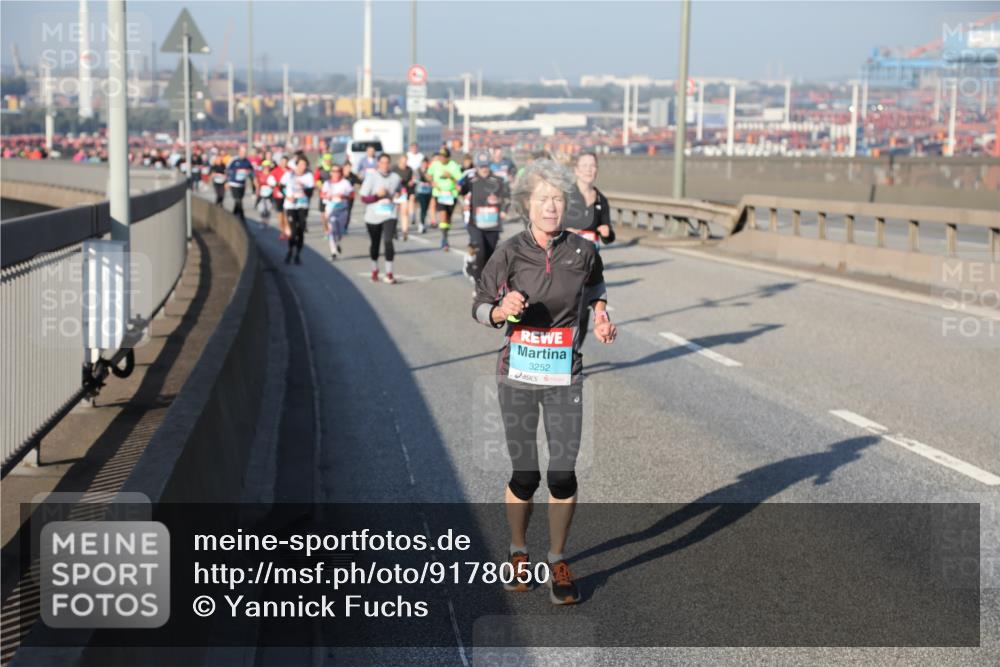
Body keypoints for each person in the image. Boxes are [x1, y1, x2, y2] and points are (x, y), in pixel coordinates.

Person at [471, 159, 616, 606]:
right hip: (516, 376)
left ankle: (557, 559)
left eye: (557, 199)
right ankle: (518, 551)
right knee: (526, 474)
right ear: (526, 206)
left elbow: (596, 287)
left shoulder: (583, 251)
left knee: (563, 474)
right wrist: (501, 310)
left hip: (564, 376)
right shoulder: (510, 252)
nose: (551, 206)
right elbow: (479, 305)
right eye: (542, 199)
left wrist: (601, 315)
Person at [460, 151, 510, 284]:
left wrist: (502, 208)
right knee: (480, 251)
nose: (484, 169)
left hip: (492, 223)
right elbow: (460, 191)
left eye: (486, 165)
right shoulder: (470, 179)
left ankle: (474, 268)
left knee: (490, 255)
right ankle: (479, 286)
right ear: (477, 166)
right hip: (475, 222)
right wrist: (464, 203)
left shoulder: (498, 180)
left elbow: (507, 197)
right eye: (481, 166)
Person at [359, 153, 403, 284]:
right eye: (382, 162)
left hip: (390, 214)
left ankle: (389, 273)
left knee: (388, 241)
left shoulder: (396, 177)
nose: (385, 165)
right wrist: (377, 196)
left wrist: (398, 194)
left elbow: (401, 191)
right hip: (373, 216)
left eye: (387, 162)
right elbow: (363, 198)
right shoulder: (371, 177)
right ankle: (375, 269)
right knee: (375, 243)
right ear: (378, 163)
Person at [564, 151, 615, 246]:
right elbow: (550, 226)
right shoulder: (565, 195)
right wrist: (565, 231)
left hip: (590, 252)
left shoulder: (601, 200)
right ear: (576, 170)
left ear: (597, 170)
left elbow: (608, 239)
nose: (589, 169)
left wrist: (607, 233)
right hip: (566, 251)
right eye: (584, 165)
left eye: (593, 166)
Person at [280, 156, 315, 264]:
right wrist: (287, 196)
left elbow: (310, 193)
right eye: (300, 164)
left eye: (304, 165)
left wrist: (303, 187)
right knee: (293, 231)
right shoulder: (289, 175)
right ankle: (290, 251)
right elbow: (281, 187)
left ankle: (298, 254)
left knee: (301, 229)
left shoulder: (309, 176)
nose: (302, 167)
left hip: (303, 206)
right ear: (296, 165)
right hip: (290, 205)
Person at [427, 148, 461, 251]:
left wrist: (450, 176)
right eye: (440, 156)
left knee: (448, 218)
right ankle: (444, 239)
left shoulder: (453, 165)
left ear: (448, 157)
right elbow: (428, 175)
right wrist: (432, 182)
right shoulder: (435, 164)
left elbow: (460, 181)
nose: (442, 158)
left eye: (444, 157)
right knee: (443, 215)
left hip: (451, 194)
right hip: (439, 194)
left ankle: (445, 233)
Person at [320, 164, 354, 260]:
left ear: (341, 172)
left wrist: (343, 196)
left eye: (338, 171)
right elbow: (322, 194)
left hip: (342, 209)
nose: (335, 173)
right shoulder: (327, 183)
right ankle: (333, 252)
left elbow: (352, 194)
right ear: (331, 173)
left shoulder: (345, 183)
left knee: (340, 231)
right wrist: (328, 196)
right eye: (333, 171)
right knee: (331, 229)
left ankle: (338, 241)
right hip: (330, 209)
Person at [225, 146, 255, 223]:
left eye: (245, 153)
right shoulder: (234, 160)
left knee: (239, 199)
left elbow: (252, 172)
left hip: (242, 184)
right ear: (239, 152)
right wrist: (227, 182)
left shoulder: (247, 162)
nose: (243, 154)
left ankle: (234, 215)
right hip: (233, 183)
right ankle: (241, 216)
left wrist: (249, 174)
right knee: (237, 199)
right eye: (242, 152)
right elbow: (227, 171)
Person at [391, 154, 414, 242]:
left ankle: (405, 232)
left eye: (406, 161)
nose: (404, 163)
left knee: (404, 212)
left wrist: (410, 183)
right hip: (395, 193)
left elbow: (410, 180)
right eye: (403, 161)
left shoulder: (409, 169)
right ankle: (394, 230)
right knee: (395, 213)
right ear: (399, 161)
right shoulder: (394, 169)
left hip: (404, 193)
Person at [413, 158, 433, 234]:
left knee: (426, 208)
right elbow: (415, 180)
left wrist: (429, 182)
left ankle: (423, 222)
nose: (425, 165)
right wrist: (421, 183)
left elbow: (432, 179)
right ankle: (421, 224)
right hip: (420, 191)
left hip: (428, 191)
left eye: (426, 163)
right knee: (423, 207)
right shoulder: (417, 170)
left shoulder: (430, 170)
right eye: (423, 163)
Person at [342, 160, 362, 232]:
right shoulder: (340, 174)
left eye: (350, 167)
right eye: (347, 167)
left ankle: (345, 228)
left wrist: (358, 184)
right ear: (344, 167)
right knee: (341, 211)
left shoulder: (352, 175)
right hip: (341, 197)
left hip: (350, 197)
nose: (348, 169)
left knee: (348, 212)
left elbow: (360, 183)